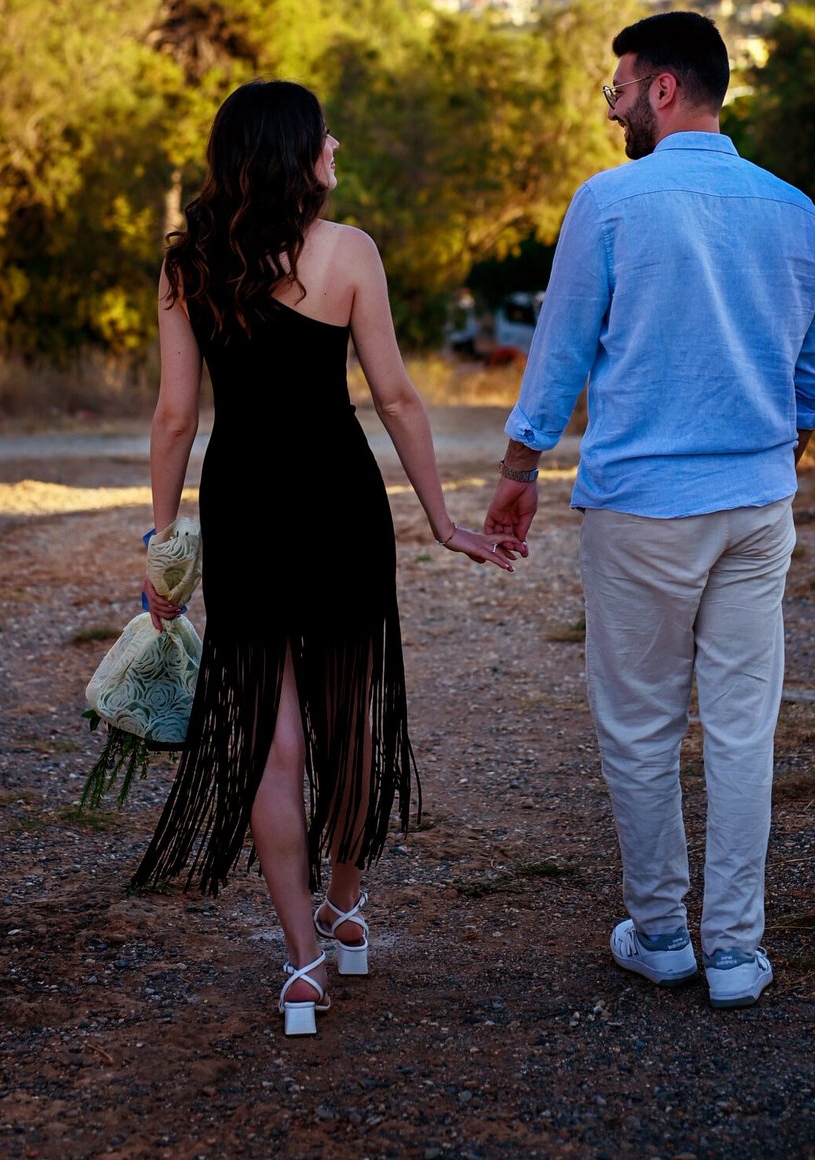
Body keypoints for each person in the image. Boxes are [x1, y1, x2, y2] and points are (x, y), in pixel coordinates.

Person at [132, 78, 515, 1035]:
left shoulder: (188, 264)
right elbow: (397, 399)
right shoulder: (349, 252)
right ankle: (346, 903)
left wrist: (164, 544)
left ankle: (304, 962)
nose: (335, 146)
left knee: (276, 743)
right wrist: (441, 520)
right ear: (294, 152)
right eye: (323, 135)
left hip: (246, 507)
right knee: (349, 722)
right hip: (340, 504)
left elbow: (175, 418)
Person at [484, 12, 815, 1010]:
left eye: (621, 89)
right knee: (741, 729)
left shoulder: (610, 202)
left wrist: (520, 465)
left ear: (665, 89)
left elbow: (559, 349)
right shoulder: (797, 211)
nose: (615, 109)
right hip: (756, 507)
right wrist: (779, 440)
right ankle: (736, 950)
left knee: (641, 726)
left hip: (642, 508)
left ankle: (660, 932)